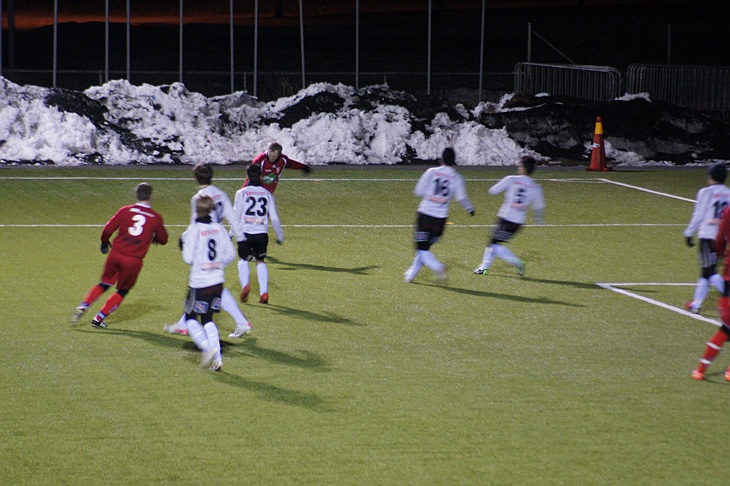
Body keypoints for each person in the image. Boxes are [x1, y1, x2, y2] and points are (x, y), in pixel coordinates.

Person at [164, 163, 253, 338]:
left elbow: (194, 222)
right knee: (213, 284)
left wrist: (184, 238)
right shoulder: (221, 194)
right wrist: (242, 240)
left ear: (196, 178)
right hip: (219, 239)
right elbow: (233, 218)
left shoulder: (198, 198)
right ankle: (185, 323)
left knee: (203, 284)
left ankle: (188, 324)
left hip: (204, 242)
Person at [72, 182, 168, 328]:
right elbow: (164, 240)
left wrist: (104, 242)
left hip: (115, 254)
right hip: (133, 261)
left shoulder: (125, 211)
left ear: (136, 195)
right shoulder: (155, 217)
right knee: (122, 290)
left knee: (104, 283)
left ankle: (84, 305)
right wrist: (153, 236)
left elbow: (108, 229)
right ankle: (98, 319)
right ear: (150, 196)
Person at [180, 195, 236, 371]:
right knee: (208, 318)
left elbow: (188, 258)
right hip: (217, 281)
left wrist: (183, 245)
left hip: (199, 282)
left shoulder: (194, 229)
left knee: (190, 318)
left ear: (196, 210)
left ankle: (207, 349)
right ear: (212, 209)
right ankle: (217, 359)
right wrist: (216, 265)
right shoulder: (219, 229)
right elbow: (230, 255)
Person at [404, 147, 475, 283]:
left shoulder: (432, 172)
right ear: (454, 161)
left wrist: (430, 195)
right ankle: (410, 275)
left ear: (441, 159)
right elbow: (461, 197)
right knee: (424, 248)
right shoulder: (457, 177)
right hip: (440, 220)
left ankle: (439, 267)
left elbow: (418, 191)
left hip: (425, 215)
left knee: (421, 248)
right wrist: (470, 208)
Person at [473, 156, 545, 276]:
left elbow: (493, 190)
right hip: (518, 222)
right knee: (493, 243)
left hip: (506, 217)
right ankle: (483, 268)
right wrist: (538, 219)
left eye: (520, 165)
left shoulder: (511, 179)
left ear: (524, 168)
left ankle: (516, 262)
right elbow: (539, 206)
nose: (519, 167)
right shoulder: (535, 187)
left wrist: (507, 192)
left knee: (493, 245)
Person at [682, 162, 730, 314]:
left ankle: (727, 294)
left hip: (707, 235)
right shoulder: (728, 193)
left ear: (711, 176)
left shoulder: (705, 192)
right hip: (722, 238)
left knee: (709, 271)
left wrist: (689, 232)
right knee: (706, 271)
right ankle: (696, 304)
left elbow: (699, 214)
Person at [234, 163, 285, 304]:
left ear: (247, 176)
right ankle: (264, 292)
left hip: (245, 233)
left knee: (243, 259)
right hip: (262, 234)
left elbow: (236, 215)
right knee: (260, 261)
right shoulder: (267, 194)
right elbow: (274, 216)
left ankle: (245, 285)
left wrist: (231, 233)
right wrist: (279, 235)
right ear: (261, 175)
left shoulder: (241, 193)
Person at [242, 142, 312, 194]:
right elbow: (251, 172)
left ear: (279, 154)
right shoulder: (260, 159)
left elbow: (291, 164)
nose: (271, 158)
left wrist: (303, 167)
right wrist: (261, 177)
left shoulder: (283, 160)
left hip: (269, 185)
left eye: (274, 156)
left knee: (265, 202)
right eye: (270, 155)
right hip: (254, 182)